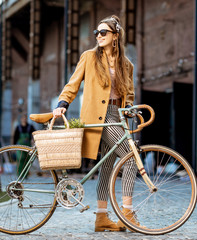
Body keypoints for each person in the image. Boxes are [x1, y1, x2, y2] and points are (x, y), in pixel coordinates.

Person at [53, 15, 140, 232]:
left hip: (117, 115)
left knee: (108, 166)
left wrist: (130, 109)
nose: (99, 36)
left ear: (115, 36)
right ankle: (127, 213)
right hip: (97, 117)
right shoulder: (89, 57)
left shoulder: (126, 64)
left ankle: (101, 218)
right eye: (97, 33)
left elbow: (129, 93)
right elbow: (73, 83)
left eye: (104, 32)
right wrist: (63, 102)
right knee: (130, 159)